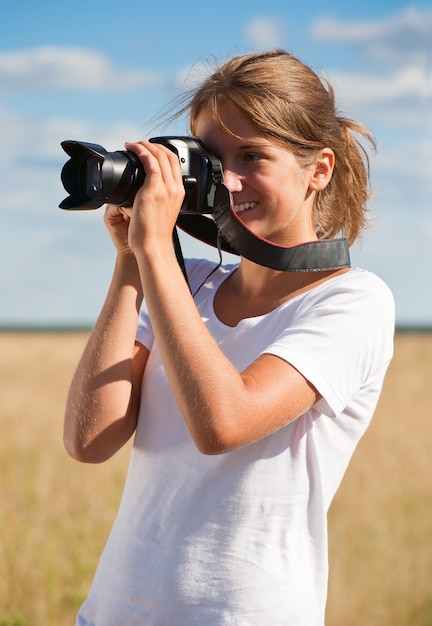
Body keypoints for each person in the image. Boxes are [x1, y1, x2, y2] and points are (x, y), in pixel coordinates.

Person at [64, 49, 395, 625]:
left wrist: (155, 255)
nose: (228, 179)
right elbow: (89, 440)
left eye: (252, 155)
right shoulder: (181, 281)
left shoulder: (351, 302)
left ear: (319, 169)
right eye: (212, 160)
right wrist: (132, 264)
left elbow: (224, 424)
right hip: (113, 612)